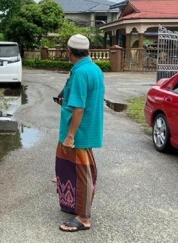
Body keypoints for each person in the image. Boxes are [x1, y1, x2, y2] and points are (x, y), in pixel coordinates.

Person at [55, 34, 105, 232]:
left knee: (83, 174)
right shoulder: (94, 69)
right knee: (71, 169)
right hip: (86, 129)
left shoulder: (80, 73)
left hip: (79, 132)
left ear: (69, 52)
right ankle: (74, 205)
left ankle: (83, 218)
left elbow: (79, 109)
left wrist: (70, 136)